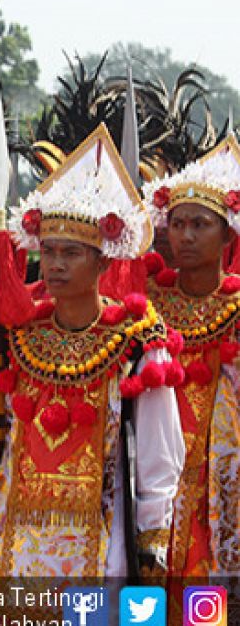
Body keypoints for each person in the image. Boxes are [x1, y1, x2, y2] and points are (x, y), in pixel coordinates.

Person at [0, 124, 184, 586]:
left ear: (102, 260)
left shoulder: (137, 341)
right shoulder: (23, 336)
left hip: (103, 542)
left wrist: (151, 544)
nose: (54, 264)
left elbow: (160, 452)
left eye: (71, 253)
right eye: (49, 251)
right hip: (20, 540)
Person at [141, 136, 240, 615]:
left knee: (207, 601)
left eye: (200, 224)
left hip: (218, 479)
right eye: (177, 224)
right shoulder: (144, 304)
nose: (185, 235)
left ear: (227, 235)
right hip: (152, 470)